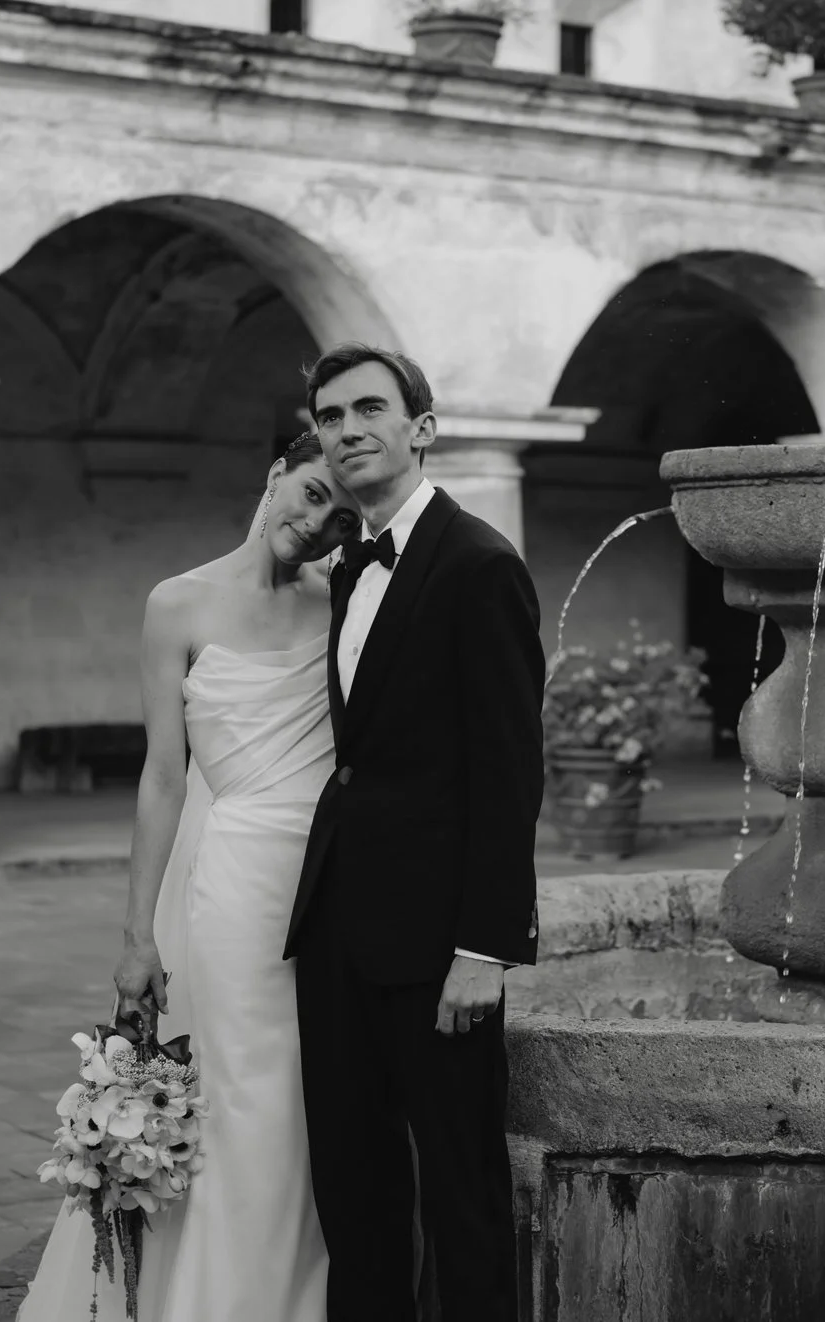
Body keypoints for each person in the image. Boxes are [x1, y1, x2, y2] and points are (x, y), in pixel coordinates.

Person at [16, 433, 361, 1322]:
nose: (316, 521)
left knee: (309, 1099)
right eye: (312, 492)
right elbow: (164, 778)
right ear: (276, 474)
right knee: (245, 1093)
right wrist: (138, 937)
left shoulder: (344, 603)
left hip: (335, 879)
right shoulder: (177, 604)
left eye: (339, 515)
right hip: (237, 881)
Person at [285, 343, 545, 1322]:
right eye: (327, 415)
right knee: (353, 1188)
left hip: (438, 944)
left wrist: (484, 947)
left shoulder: (476, 562)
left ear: (418, 429)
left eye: (367, 408)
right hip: (337, 930)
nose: (346, 428)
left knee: (459, 1187)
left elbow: (509, 770)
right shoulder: (349, 563)